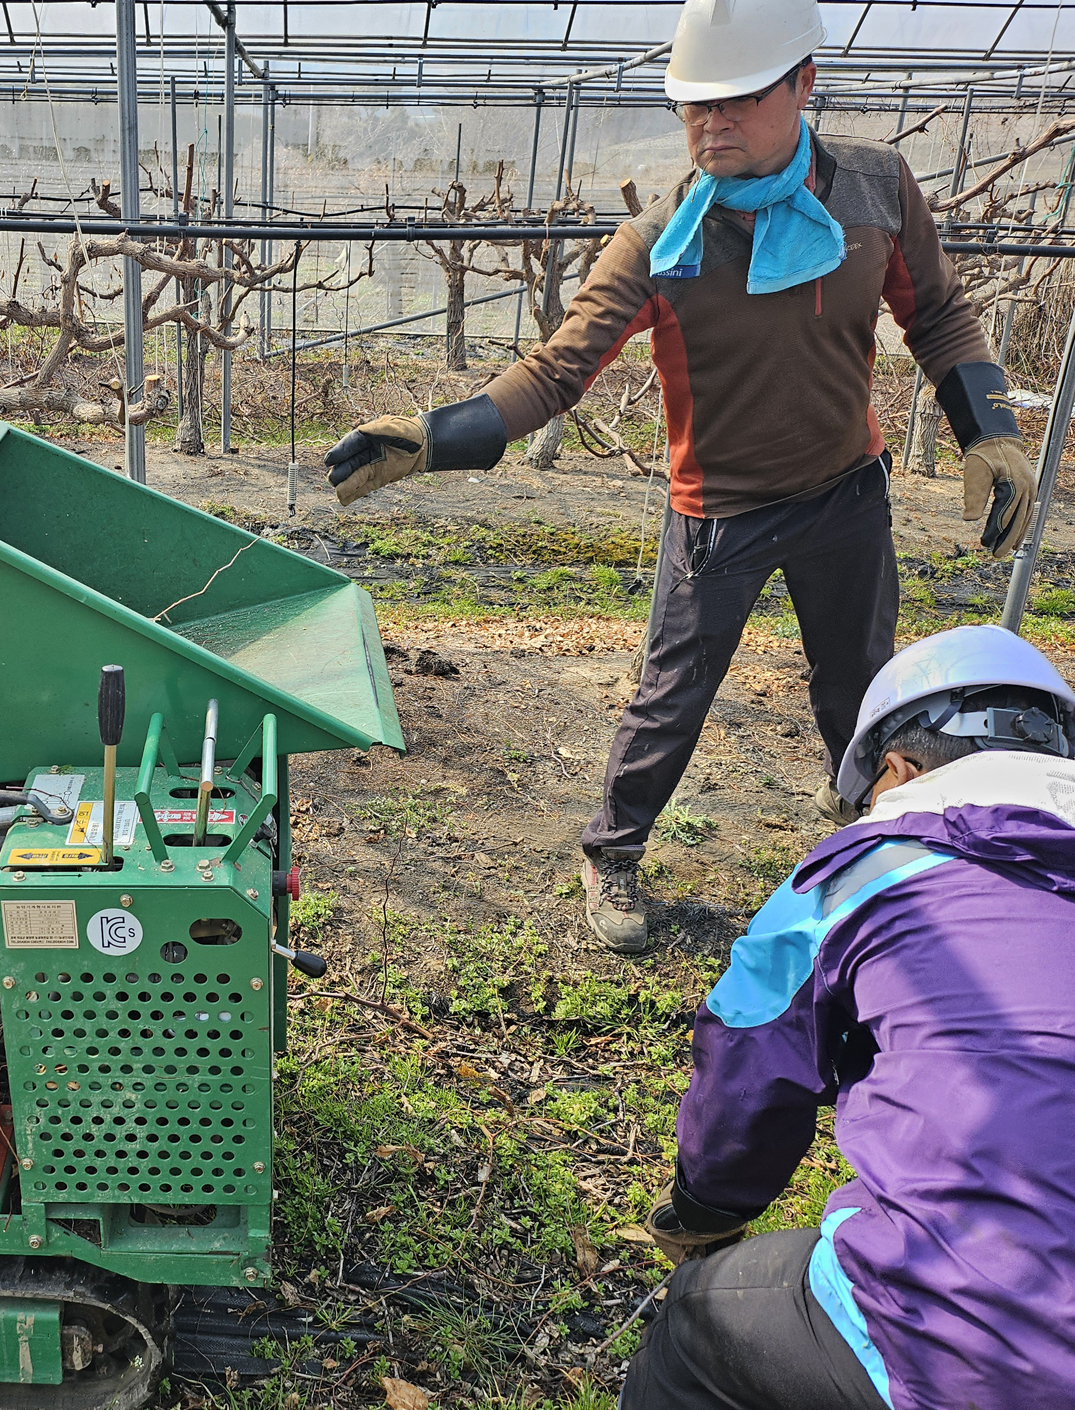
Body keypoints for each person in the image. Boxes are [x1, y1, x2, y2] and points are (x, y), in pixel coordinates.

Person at [323, 0, 1037, 955]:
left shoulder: (877, 190)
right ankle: (611, 852)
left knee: (858, 683)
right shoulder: (663, 240)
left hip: (845, 492)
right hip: (720, 514)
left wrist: (991, 431)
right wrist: (433, 437)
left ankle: (868, 827)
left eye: (738, 99)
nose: (712, 123)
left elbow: (938, 314)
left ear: (804, 84)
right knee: (673, 695)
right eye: (696, 105)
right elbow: (557, 370)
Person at [625, 624, 1075, 1410]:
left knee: (694, 1328)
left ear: (897, 769)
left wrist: (705, 1209)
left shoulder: (861, 873)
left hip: (981, 1351)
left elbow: (747, 1069)